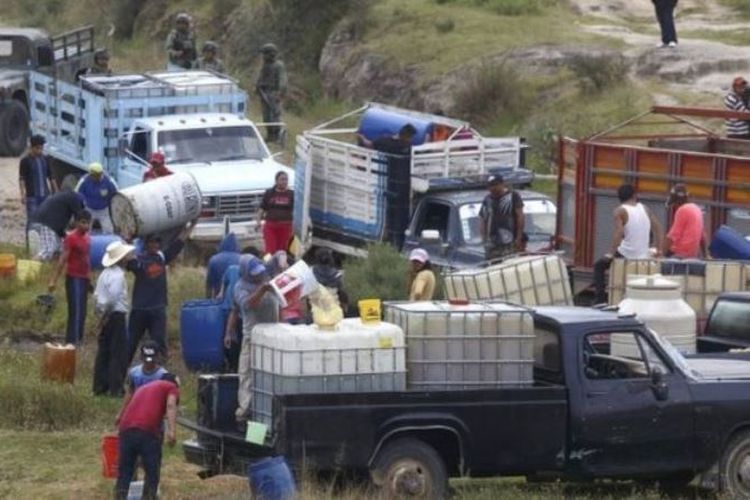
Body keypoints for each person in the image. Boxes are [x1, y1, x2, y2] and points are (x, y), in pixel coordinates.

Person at [126, 222, 195, 361]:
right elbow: (127, 257)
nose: (155, 245)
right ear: (146, 243)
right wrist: (126, 240)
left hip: (157, 308)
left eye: (158, 242)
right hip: (139, 308)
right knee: (130, 343)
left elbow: (179, 243)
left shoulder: (162, 258)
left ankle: (159, 370)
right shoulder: (139, 260)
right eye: (152, 242)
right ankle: (122, 369)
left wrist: (192, 225)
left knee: (159, 343)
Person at [226, 256, 279, 421]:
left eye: (260, 272)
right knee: (247, 373)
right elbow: (246, 306)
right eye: (254, 274)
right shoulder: (240, 287)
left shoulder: (267, 278)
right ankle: (245, 408)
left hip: (273, 336)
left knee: (272, 373)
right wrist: (229, 333)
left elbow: (278, 257)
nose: (258, 276)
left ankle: (272, 408)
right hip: (252, 337)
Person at [593, 184, 664, 304]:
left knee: (599, 266)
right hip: (643, 254)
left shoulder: (619, 211)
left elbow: (619, 232)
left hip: (626, 253)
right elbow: (658, 228)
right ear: (634, 195)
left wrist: (611, 253)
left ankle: (600, 300)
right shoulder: (645, 208)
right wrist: (659, 250)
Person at [114, 372, 180, 500]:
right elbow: (171, 405)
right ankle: (149, 496)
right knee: (152, 471)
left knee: (125, 471)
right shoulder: (171, 387)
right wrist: (172, 432)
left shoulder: (144, 388)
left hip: (125, 429)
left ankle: (120, 496)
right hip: (147, 431)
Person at [358, 124, 417, 250]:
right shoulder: (406, 147)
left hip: (387, 183)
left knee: (390, 215)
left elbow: (369, 145)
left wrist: (361, 137)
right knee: (399, 218)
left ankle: (389, 241)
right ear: (406, 136)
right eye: (410, 137)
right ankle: (394, 244)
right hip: (401, 186)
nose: (411, 140)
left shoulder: (385, 142)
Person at [93, 240, 135, 397]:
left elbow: (97, 296)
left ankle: (100, 386)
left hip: (106, 313)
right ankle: (115, 388)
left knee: (104, 351)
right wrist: (106, 314)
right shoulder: (118, 276)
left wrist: (100, 314)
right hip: (115, 315)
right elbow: (112, 298)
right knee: (118, 353)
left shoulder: (104, 274)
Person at [48, 210, 92, 345]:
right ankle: (71, 343)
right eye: (83, 222)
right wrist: (53, 280)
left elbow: (86, 259)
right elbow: (62, 260)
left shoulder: (87, 238)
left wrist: (89, 279)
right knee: (76, 311)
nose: (86, 226)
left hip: (83, 278)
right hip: (74, 278)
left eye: (88, 223)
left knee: (83, 312)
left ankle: (78, 340)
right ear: (77, 223)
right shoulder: (71, 238)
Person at [115, 341, 169, 425]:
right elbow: (130, 393)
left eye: (152, 360)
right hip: (137, 411)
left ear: (157, 357)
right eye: (146, 359)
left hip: (154, 414)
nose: (149, 363)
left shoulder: (163, 375)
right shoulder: (134, 373)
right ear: (141, 357)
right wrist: (121, 413)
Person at [479, 174, 525, 261]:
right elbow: (482, 219)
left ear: (503, 184)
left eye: (496, 185)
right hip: (492, 244)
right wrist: (484, 240)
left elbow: (520, 216)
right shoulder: (487, 200)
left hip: (509, 242)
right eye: (490, 186)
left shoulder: (513, 196)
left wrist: (519, 238)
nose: (493, 188)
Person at [19, 134, 57, 233]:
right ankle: (30, 243)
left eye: (41, 148)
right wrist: (23, 194)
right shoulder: (25, 161)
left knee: (46, 220)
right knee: (32, 220)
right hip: (32, 196)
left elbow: (51, 177)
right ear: (31, 147)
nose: (40, 151)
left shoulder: (45, 159)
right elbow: (22, 178)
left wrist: (56, 191)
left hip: (45, 195)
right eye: (37, 148)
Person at [32, 190, 85, 261]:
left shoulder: (65, 199)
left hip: (41, 220)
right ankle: (27, 268)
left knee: (60, 248)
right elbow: (80, 218)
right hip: (46, 223)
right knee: (47, 251)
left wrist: (66, 236)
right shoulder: (75, 199)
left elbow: (60, 229)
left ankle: (53, 269)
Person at [662, 183, 708, 259]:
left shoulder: (682, 210)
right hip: (692, 255)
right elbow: (702, 236)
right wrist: (706, 255)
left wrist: (661, 255)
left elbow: (673, 236)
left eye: (675, 203)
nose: (675, 206)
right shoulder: (697, 209)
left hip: (678, 255)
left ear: (677, 200)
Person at [256, 43, 287, 143]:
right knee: (266, 116)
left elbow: (283, 81)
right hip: (264, 93)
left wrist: (280, 93)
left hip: (274, 93)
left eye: (265, 54)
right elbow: (260, 79)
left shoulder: (278, 65)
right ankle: (270, 135)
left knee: (275, 115)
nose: (263, 57)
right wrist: (258, 87)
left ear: (271, 54)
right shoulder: (265, 66)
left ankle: (277, 135)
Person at [76, 162, 118, 234]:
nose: (95, 178)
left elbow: (117, 195)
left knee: (109, 231)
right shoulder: (84, 181)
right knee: (85, 232)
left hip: (104, 210)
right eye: (93, 175)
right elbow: (77, 194)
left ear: (101, 174)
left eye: (97, 175)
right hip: (89, 209)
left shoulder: (109, 181)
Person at [259, 171, 294, 255]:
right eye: (282, 179)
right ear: (276, 181)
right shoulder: (269, 193)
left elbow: (295, 211)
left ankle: (280, 267)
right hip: (271, 226)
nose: (284, 182)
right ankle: (268, 266)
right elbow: (262, 208)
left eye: (286, 179)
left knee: (282, 251)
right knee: (270, 250)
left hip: (286, 226)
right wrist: (258, 221)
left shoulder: (291, 194)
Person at [205, 232, 240, 298]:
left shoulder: (214, 260)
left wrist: (208, 300)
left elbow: (209, 284)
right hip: (237, 298)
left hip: (219, 298)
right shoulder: (241, 260)